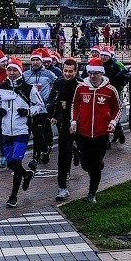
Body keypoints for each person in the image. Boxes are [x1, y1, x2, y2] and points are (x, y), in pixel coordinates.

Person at [0, 58, 46, 208]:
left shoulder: (29, 89)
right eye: (9, 70)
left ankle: (13, 196)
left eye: (15, 70)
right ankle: (27, 174)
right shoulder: (1, 87)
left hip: (21, 130)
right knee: (10, 162)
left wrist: (28, 112)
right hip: (5, 130)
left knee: (16, 162)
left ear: (20, 71)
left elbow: (40, 105)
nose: (11, 73)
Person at [70, 57, 121, 204]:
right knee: (86, 164)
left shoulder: (110, 90)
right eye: (90, 73)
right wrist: (73, 122)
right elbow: (75, 105)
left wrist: (113, 122)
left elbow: (117, 108)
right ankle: (85, 159)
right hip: (83, 132)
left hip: (101, 133)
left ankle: (92, 193)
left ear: (101, 74)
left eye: (96, 73)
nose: (93, 76)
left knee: (96, 164)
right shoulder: (81, 87)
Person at [48, 57, 81, 200]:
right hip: (65, 123)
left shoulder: (81, 84)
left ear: (76, 71)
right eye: (65, 71)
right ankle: (62, 187)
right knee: (63, 155)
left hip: (80, 123)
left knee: (87, 156)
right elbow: (57, 101)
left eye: (70, 72)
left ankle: (78, 151)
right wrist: (55, 116)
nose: (68, 74)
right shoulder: (59, 82)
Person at [23, 49, 58, 165]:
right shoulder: (26, 75)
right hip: (30, 109)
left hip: (43, 108)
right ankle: (44, 150)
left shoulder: (49, 74)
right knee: (35, 133)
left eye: (37, 60)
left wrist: (51, 101)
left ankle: (36, 157)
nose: (35, 62)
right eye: (33, 60)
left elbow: (57, 86)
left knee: (39, 133)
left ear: (41, 61)